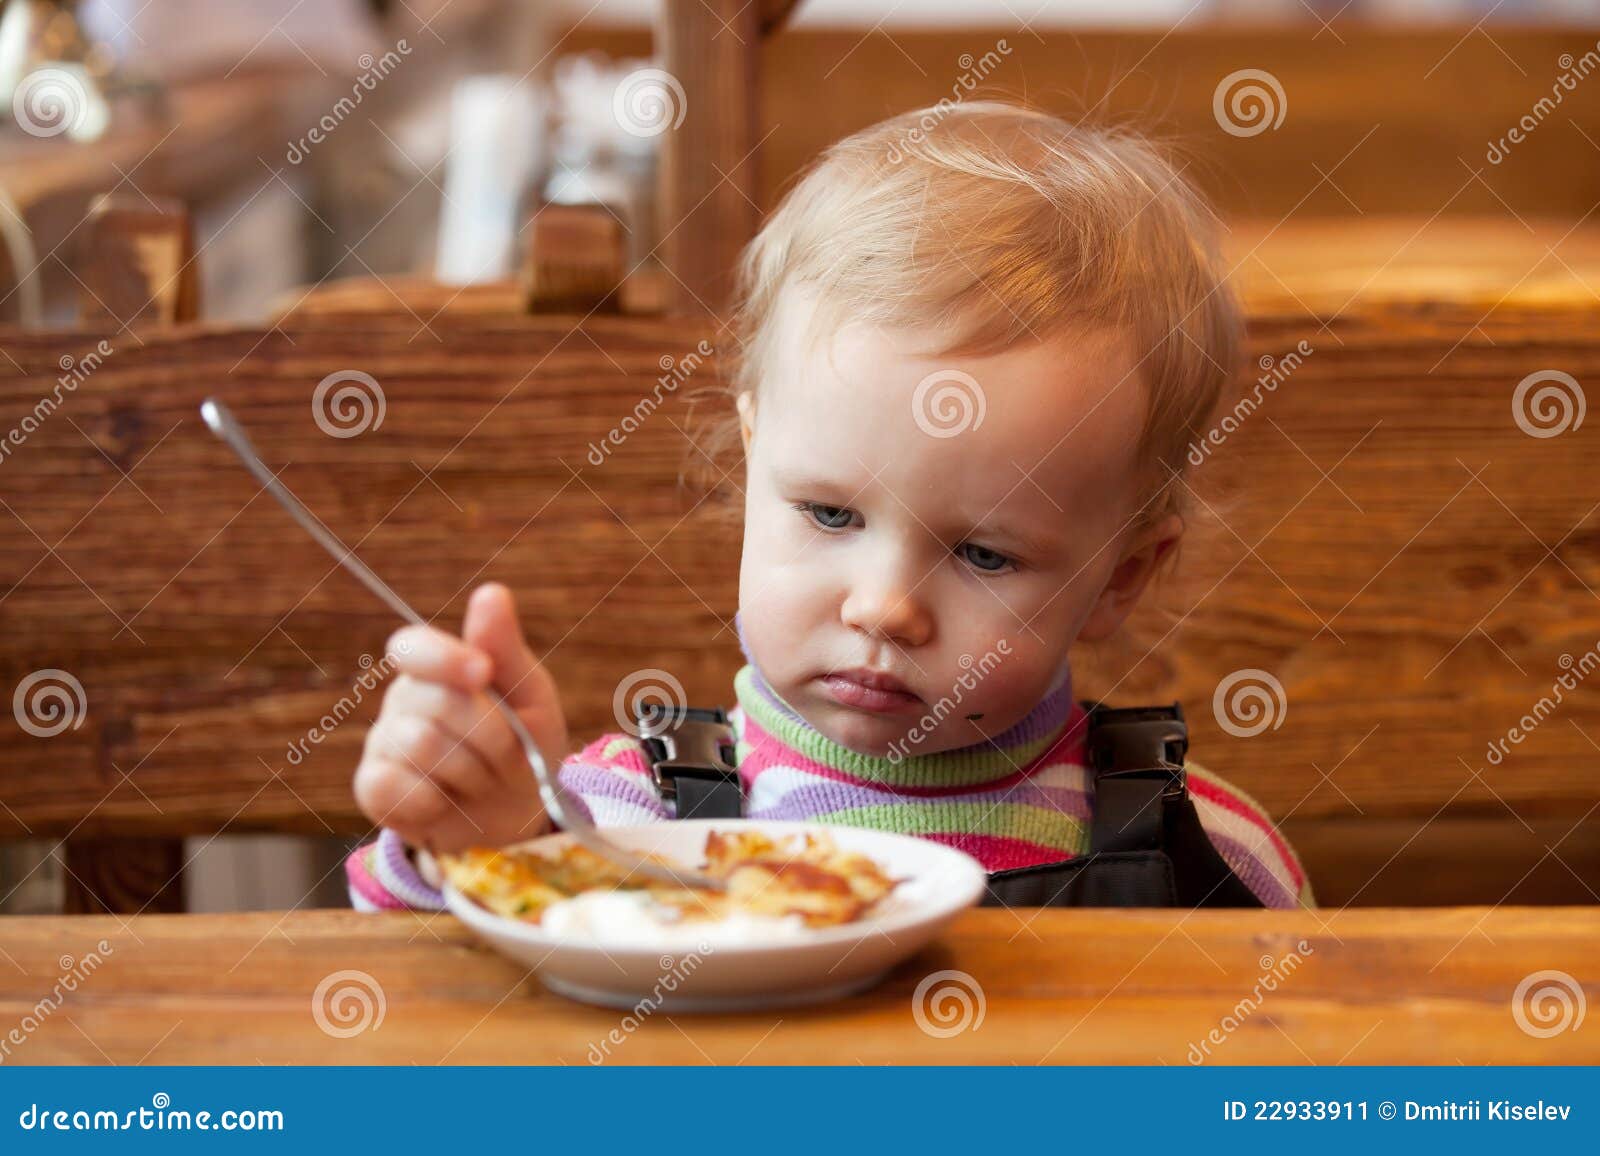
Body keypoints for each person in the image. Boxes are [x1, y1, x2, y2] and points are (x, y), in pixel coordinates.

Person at [345, 101, 1314, 913]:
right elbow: (426, 1005)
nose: (882, 607)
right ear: (756, 453)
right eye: (829, 515)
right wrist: (482, 843)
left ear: (1123, 575)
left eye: (983, 554)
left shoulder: (1215, 861)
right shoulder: (609, 824)